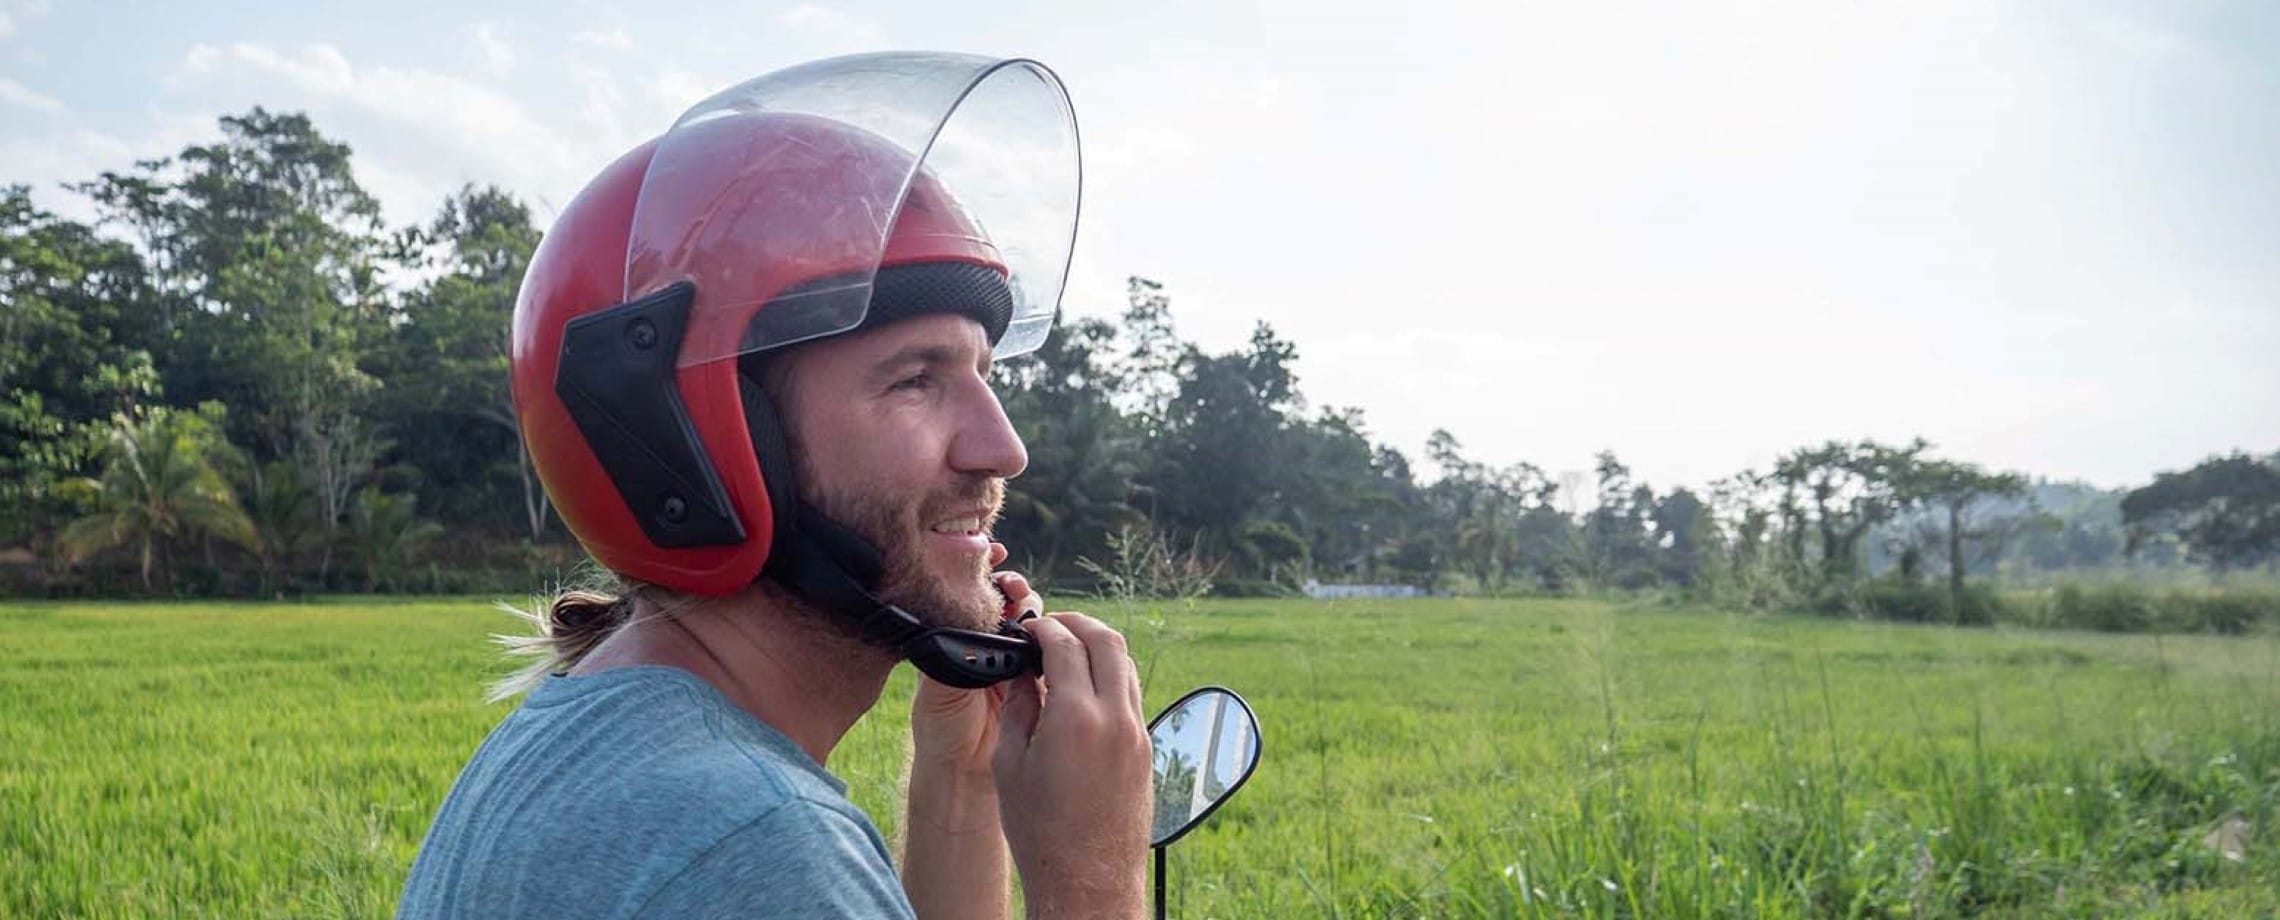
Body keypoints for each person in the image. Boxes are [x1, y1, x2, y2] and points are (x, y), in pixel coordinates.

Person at [397, 54, 1152, 919]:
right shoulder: (756, 843)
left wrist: (963, 783)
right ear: (705, 447)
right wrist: (1093, 880)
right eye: (916, 379)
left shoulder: (593, 739)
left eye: (986, 376)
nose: (1003, 448)